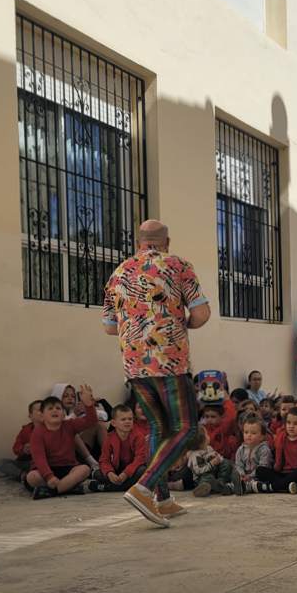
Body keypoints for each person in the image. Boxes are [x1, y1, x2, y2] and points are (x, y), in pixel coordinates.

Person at [103, 219, 210, 526]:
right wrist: (179, 324)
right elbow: (201, 315)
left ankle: (162, 500)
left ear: (139, 243)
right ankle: (143, 488)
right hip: (170, 360)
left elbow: (110, 327)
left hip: (134, 363)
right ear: (167, 242)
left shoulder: (118, 273)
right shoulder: (178, 265)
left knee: (157, 426)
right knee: (187, 427)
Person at [25, 387, 98, 499]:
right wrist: (49, 477)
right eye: (50, 408)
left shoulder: (69, 425)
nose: (54, 410)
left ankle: (53, 491)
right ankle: (68, 487)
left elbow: (90, 421)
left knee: (84, 469)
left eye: (58, 408)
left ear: (63, 414)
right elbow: (39, 458)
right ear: (42, 416)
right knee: (32, 477)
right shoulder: (37, 433)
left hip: (67, 468)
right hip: (46, 470)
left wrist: (88, 404)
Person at [90, 405, 147, 493]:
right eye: (123, 419)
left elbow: (140, 458)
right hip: (116, 471)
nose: (127, 422)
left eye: (130, 419)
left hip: (131, 471)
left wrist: (126, 473)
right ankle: (122, 485)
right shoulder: (109, 438)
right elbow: (104, 460)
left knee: (143, 470)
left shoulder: (138, 436)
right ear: (113, 423)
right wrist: (110, 473)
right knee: (97, 473)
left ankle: (109, 487)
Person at [188, 425, 242, 497]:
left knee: (226, 464)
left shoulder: (209, 448)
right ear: (204, 442)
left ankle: (220, 482)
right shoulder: (194, 455)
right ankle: (204, 487)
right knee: (207, 476)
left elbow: (218, 456)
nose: (208, 436)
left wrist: (219, 459)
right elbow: (197, 470)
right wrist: (211, 464)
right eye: (206, 434)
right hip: (204, 475)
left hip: (215, 472)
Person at [0, 400, 44, 482]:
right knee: (2, 462)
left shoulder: (53, 428)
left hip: (46, 463)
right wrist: (23, 449)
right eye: (40, 410)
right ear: (31, 416)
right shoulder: (25, 430)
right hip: (29, 463)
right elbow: (16, 447)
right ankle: (23, 475)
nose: (44, 412)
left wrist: (36, 448)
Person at [235, 416, 273, 492]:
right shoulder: (240, 449)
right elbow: (239, 465)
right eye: (246, 432)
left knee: (259, 479)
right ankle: (229, 488)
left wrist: (250, 476)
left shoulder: (264, 449)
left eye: (253, 433)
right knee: (234, 475)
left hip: (257, 475)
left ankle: (247, 487)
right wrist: (242, 475)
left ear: (262, 437)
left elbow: (263, 466)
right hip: (244, 475)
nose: (249, 435)